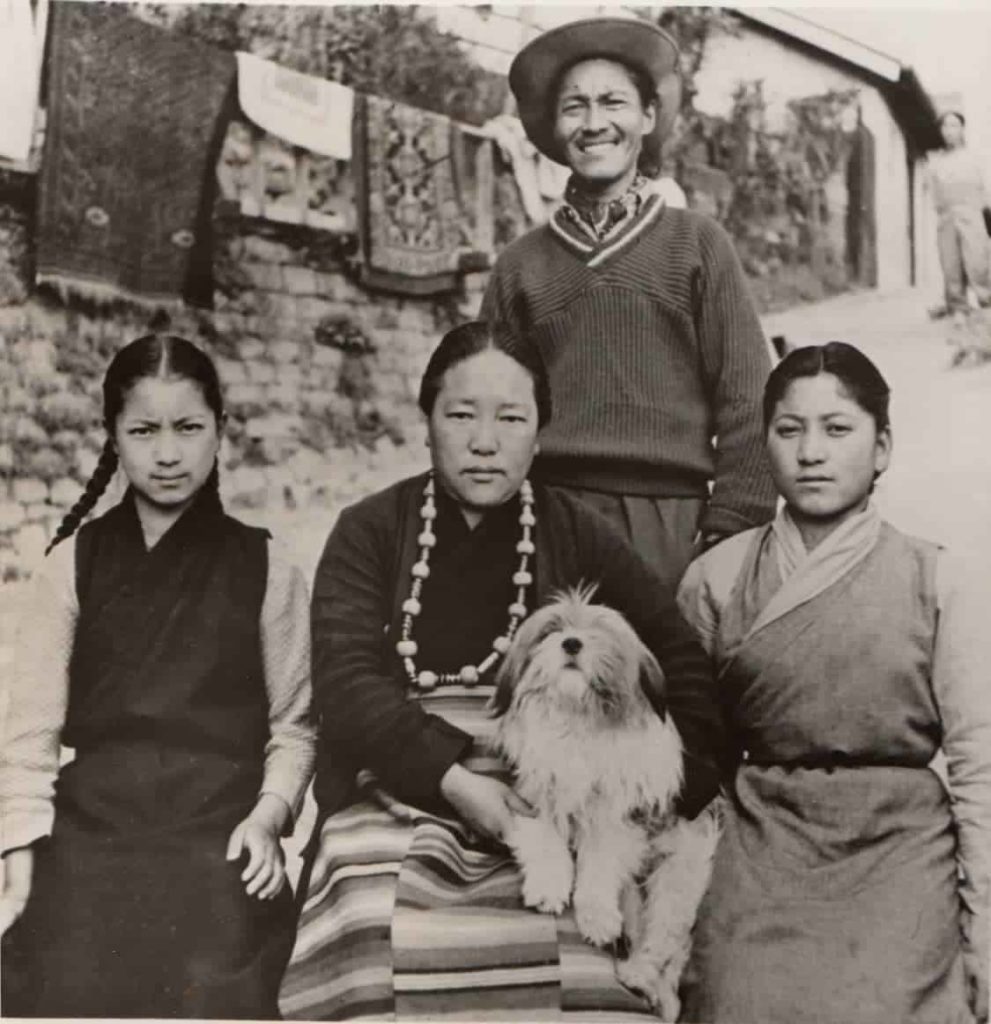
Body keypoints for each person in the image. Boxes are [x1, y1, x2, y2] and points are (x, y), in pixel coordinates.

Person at [278, 320, 724, 1020]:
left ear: (539, 431)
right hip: (402, 788)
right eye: (460, 415)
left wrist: (665, 786)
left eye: (510, 418)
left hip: (556, 789)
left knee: (586, 951)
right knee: (372, 919)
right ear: (425, 420)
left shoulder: (575, 531)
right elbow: (348, 683)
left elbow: (678, 660)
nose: (484, 442)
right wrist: (455, 782)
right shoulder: (369, 529)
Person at [0, 335, 316, 1019]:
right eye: (143, 430)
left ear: (220, 431)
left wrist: (269, 819)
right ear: (113, 434)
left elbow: (295, 727)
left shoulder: (266, 567)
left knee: (214, 970)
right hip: (93, 827)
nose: (167, 454)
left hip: (219, 828)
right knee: (65, 967)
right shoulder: (70, 566)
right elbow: (31, 733)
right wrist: (21, 851)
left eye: (188, 428)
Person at [676, 342, 991, 1023]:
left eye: (837, 429)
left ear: (881, 448)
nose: (810, 452)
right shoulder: (718, 578)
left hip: (897, 842)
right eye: (788, 431)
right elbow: (689, 753)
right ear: (764, 445)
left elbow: (978, 767)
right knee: (733, 999)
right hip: (760, 835)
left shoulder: (936, 580)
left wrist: (986, 937)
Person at [482, 16, 777, 592]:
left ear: (646, 117)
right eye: (574, 107)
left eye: (613, 102)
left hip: (673, 521)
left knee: (674, 678)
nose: (595, 124)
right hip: (549, 520)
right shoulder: (519, 265)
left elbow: (749, 397)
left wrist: (730, 529)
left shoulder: (697, 244)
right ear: (551, 125)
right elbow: (488, 404)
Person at [927, 111, 991, 320]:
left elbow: (985, 191)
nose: (950, 131)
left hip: (972, 217)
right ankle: (957, 308)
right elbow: (935, 195)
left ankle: (986, 302)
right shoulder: (936, 162)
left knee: (978, 262)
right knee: (950, 264)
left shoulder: (976, 158)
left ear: (962, 129)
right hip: (947, 219)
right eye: (945, 126)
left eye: (954, 126)